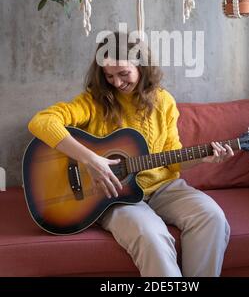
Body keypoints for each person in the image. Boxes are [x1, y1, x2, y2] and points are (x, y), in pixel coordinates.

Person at [28, 31, 234, 277]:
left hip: (164, 188)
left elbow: (172, 155)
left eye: (123, 73)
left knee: (212, 217)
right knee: (152, 236)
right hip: (113, 194)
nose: (116, 83)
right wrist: (90, 159)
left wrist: (203, 157)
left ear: (142, 66)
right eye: (109, 76)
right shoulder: (94, 101)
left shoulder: (164, 101)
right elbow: (41, 122)